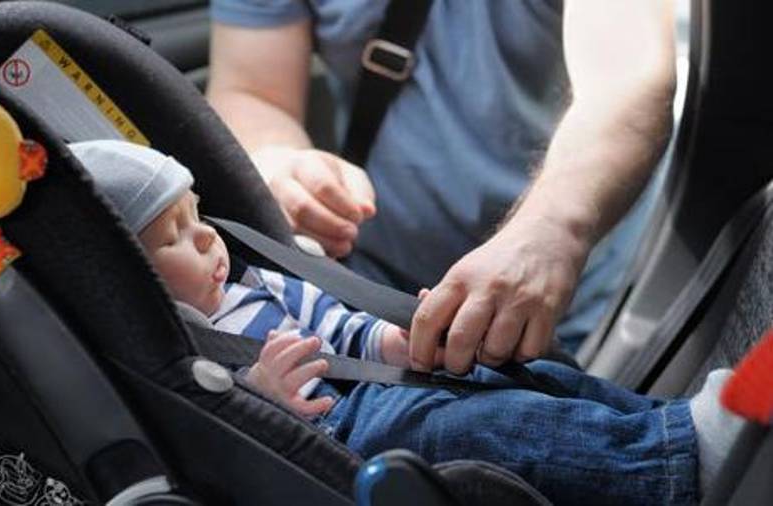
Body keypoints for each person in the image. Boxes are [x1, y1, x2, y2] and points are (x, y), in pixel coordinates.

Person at [69, 140, 743, 505]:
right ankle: (675, 468)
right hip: (337, 429)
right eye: (174, 239)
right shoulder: (181, 344)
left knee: (525, 374)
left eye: (198, 219)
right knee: (481, 427)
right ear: (133, 274)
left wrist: (393, 340)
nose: (207, 241)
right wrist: (267, 396)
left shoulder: (254, 282)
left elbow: (335, 325)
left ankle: (666, 424)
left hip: (377, 384)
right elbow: (223, 426)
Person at [204, 1, 677, 373]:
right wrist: (280, 159)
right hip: (377, 289)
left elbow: (629, 78)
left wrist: (552, 231)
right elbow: (250, 90)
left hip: (573, 296)